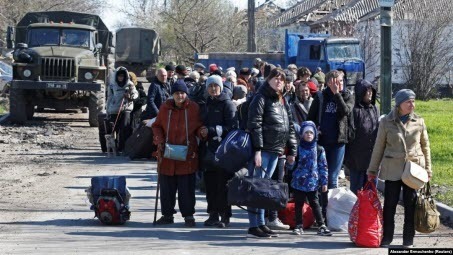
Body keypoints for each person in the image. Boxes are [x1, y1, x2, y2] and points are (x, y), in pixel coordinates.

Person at [367, 89, 431, 248]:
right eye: (408, 102)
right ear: (399, 104)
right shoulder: (386, 122)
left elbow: (425, 146)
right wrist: (372, 170)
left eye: (413, 101)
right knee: (389, 205)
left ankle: (408, 240)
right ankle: (387, 238)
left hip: (413, 170)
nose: (412, 105)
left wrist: (428, 169)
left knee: (411, 205)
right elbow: (378, 147)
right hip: (392, 168)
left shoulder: (419, 121)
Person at [247, 68, 297, 238]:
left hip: (277, 150)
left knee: (265, 189)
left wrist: (291, 149)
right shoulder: (260, 97)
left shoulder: (282, 100)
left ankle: (261, 222)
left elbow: (289, 126)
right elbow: (255, 124)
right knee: (257, 188)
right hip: (264, 150)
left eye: (281, 79)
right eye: (275, 78)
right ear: (268, 79)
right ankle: (254, 225)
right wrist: (258, 150)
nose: (278, 82)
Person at [152, 80, 207, 227]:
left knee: (186, 188)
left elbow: (198, 126)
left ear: (186, 94)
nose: (180, 96)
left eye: (182, 93)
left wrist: (201, 132)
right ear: (173, 95)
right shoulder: (165, 108)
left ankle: (188, 216)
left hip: (187, 155)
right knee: (167, 187)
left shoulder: (194, 108)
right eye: (177, 93)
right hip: (167, 154)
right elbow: (157, 125)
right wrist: (159, 139)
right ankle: (167, 215)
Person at [307, 70, 354, 221]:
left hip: (338, 143)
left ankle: (330, 214)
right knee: (321, 178)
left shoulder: (347, 96)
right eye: (336, 82)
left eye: (341, 81)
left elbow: (345, 112)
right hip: (321, 143)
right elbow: (310, 119)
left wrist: (337, 94)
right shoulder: (320, 97)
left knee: (332, 178)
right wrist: (315, 129)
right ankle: (319, 212)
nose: (339, 84)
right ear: (328, 83)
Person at [200, 74, 237, 228]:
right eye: (210, 86)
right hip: (209, 149)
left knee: (223, 184)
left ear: (220, 87)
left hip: (224, 151)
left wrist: (211, 130)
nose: (213, 89)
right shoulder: (206, 104)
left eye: (215, 86)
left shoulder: (228, 104)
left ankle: (225, 215)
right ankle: (213, 214)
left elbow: (233, 128)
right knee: (210, 183)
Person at [291, 121, 332, 236]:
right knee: (298, 203)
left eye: (311, 132)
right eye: (306, 132)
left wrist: (324, 182)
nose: (309, 135)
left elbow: (323, 166)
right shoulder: (298, 148)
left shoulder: (319, 149)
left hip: (312, 183)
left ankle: (321, 225)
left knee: (315, 203)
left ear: (315, 134)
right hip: (298, 182)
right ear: (302, 135)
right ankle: (298, 225)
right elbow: (291, 165)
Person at [344, 79, 379, 195]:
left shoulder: (374, 108)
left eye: (371, 91)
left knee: (371, 190)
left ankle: (370, 213)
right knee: (356, 190)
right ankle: (355, 212)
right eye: (367, 91)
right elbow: (350, 134)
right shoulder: (355, 110)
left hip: (372, 156)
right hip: (357, 158)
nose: (370, 93)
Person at [106, 66, 138, 152]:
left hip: (126, 108)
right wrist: (107, 110)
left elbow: (135, 94)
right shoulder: (112, 86)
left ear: (125, 76)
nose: (121, 78)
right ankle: (114, 147)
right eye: (119, 76)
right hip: (114, 109)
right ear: (116, 76)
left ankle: (123, 147)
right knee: (113, 128)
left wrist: (130, 96)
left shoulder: (130, 84)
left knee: (124, 127)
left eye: (122, 76)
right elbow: (109, 98)